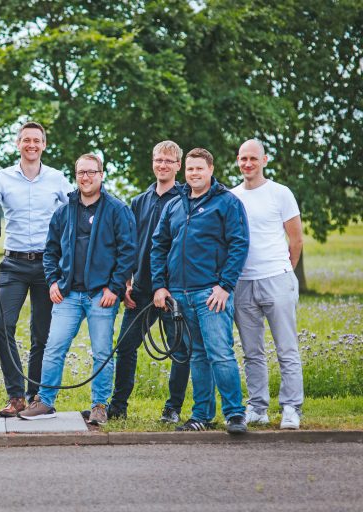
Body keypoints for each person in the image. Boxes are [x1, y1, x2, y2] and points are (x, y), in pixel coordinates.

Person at [18, 154, 136, 424]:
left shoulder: (117, 210)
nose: (86, 177)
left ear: (101, 175)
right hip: (69, 294)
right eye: (81, 172)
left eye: (91, 172)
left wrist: (115, 288)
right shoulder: (64, 211)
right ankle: (44, 402)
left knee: (103, 352)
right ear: (76, 175)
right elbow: (50, 251)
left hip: (101, 295)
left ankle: (99, 406)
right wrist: (53, 281)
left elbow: (127, 252)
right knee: (54, 347)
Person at [151, 148, 250, 434]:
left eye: (199, 169)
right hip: (179, 295)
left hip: (211, 294)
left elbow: (239, 245)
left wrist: (226, 286)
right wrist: (160, 285)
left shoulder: (227, 203)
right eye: (190, 169)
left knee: (220, 353)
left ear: (210, 169)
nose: (194, 173)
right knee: (196, 356)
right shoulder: (175, 205)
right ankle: (202, 415)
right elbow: (159, 246)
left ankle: (234, 414)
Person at [109, 140, 194, 424]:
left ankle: (172, 408)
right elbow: (130, 246)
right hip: (142, 290)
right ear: (153, 162)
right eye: (159, 160)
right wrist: (127, 283)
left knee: (179, 350)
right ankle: (118, 407)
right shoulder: (139, 201)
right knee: (125, 347)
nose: (163, 165)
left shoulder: (185, 201)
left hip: (174, 291)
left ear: (178, 166)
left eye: (169, 161)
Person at [0, 121, 73, 417]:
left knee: (42, 334)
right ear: (17, 144)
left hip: (46, 265)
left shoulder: (56, 178)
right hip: (13, 262)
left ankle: (35, 395)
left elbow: (75, 208)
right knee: (1, 326)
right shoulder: (2, 178)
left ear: (44, 144)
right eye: (26, 140)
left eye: (36, 140)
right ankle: (15, 396)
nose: (31, 145)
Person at [232, 139, 304, 429]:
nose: (247, 163)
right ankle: (257, 407)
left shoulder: (280, 193)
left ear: (264, 160)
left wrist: (286, 271)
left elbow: (296, 238)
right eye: (242, 158)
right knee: (252, 352)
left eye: (253, 158)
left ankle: (290, 407)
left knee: (286, 348)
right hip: (243, 282)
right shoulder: (231, 196)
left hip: (276, 278)